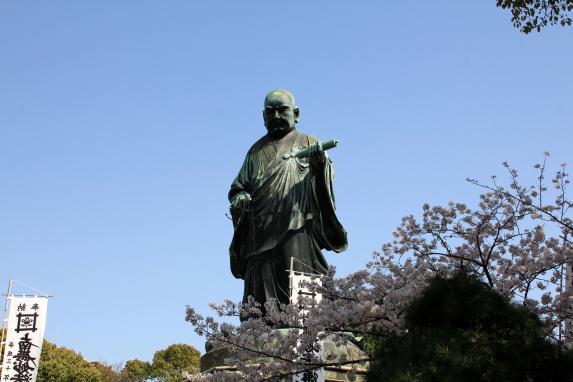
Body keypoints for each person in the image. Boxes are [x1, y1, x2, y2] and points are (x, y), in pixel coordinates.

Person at [228, 89, 347, 313]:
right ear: (263, 117)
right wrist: (240, 197)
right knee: (261, 274)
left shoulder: (308, 142)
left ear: (296, 113)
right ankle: (261, 323)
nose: (275, 116)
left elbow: (325, 183)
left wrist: (320, 164)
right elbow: (238, 187)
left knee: (296, 270)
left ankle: (308, 321)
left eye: (282, 110)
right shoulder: (255, 152)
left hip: (296, 222)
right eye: (269, 112)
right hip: (260, 227)